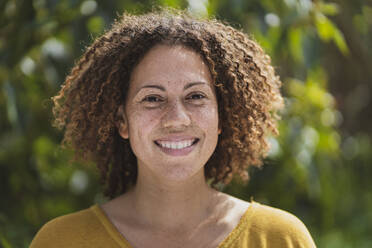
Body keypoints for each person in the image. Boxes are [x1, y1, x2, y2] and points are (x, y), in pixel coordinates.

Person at [30, 9, 316, 248]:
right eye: (152, 99)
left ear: (221, 117)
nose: (177, 118)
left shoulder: (280, 238)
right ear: (122, 121)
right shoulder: (61, 240)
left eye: (195, 96)